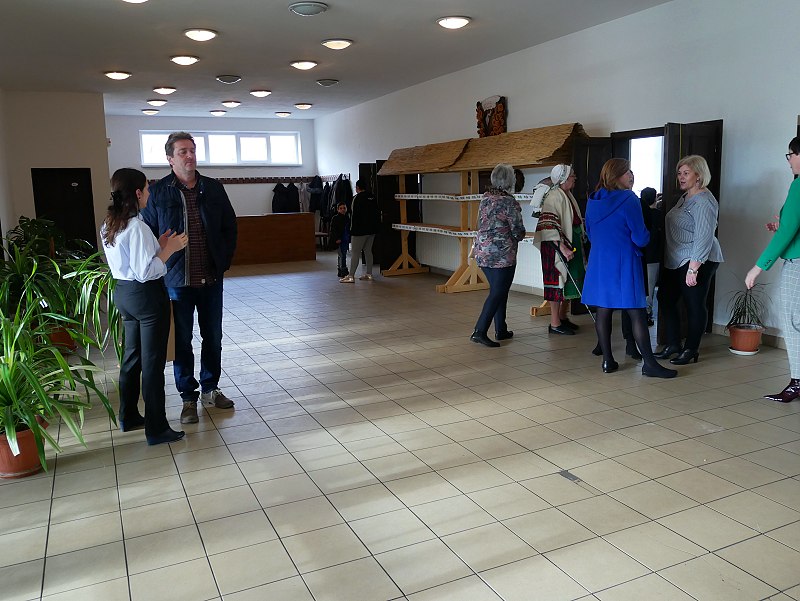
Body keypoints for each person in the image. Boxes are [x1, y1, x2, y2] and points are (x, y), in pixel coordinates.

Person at [140, 132, 238, 425]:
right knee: (182, 341)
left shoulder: (213, 188)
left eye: (192, 150)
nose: (189, 155)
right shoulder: (158, 192)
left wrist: (223, 260)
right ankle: (187, 397)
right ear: (170, 159)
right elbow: (149, 235)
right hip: (176, 282)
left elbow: (229, 227)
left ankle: (210, 388)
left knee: (214, 337)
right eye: (182, 151)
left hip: (211, 279)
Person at [101, 168, 188, 445]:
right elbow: (145, 271)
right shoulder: (137, 227)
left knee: (132, 357)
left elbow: (133, 262)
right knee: (152, 363)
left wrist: (159, 245)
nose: (150, 193)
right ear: (138, 193)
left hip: (125, 295)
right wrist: (170, 250)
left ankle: (128, 415)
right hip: (147, 298)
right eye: (147, 189)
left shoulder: (111, 223)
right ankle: (157, 428)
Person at [582, 158, 676, 378]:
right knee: (636, 313)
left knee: (603, 310)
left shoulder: (593, 200)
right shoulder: (629, 199)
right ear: (616, 176)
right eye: (627, 172)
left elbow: (590, 233)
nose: (631, 175)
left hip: (599, 263)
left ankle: (607, 361)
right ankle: (649, 364)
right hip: (624, 261)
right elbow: (641, 237)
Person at [654, 155, 724, 365]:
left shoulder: (703, 201)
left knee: (694, 304)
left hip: (697, 259)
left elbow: (704, 236)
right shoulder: (686, 197)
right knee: (665, 299)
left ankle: (691, 349)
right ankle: (673, 344)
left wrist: (694, 268)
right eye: (679, 173)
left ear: (699, 175)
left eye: (686, 173)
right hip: (677, 259)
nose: (681, 177)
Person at [745, 136, 800, 402]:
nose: (789, 161)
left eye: (790, 155)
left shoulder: (799, 185)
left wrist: (758, 267)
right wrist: (784, 225)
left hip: (797, 263)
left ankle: (797, 381)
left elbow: (788, 231)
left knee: (791, 321)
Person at [470, 163, 526, 347]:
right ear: (511, 181)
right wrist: (520, 234)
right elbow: (518, 230)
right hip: (502, 256)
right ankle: (479, 331)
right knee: (498, 292)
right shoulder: (509, 202)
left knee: (499, 290)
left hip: (482, 253)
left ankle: (501, 329)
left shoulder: (485, 198)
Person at [534, 164, 586, 336]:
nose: (575, 178)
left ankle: (563, 317)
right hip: (555, 246)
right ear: (563, 178)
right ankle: (555, 323)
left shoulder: (567, 194)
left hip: (569, 242)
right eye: (572, 175)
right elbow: (548, 226)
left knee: (569, 282)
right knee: (557, 282)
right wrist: (562, 247)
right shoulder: (554, 196)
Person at [340, 180, 380, 283]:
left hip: (359, 231)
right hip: (372, 230)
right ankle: (369, 274)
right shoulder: (372, 197)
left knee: (355, 253)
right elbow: (376, 213)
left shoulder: (356, 198)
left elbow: (354, 216)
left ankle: (351, 276)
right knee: (368, 251)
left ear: (357, 188)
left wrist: (351, 230)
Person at [640, 186, 663, 325]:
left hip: (641, 255)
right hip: (654, 256)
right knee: (650, 287)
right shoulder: (659, 215)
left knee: (643, 287)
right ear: (655, 198)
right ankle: (647, 314)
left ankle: (643, 313)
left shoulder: (640, 214)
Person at [328, 201, 350, 278]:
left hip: (345, 239)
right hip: (340, 240)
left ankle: (341, 269)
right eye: (341, 208)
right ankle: (342, 270)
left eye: (344, 208)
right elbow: (333, 230)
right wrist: (337, 238)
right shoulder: (335, 218)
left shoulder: (347, 218)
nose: (343, 210)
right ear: (338, 210)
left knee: (342, 255)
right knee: (342, 255)